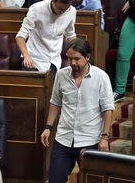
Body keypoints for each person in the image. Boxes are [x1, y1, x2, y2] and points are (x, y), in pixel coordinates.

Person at [40, 38, 114, 183]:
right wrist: (48, 127)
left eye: (77, 59)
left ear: (88, 57)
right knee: (55, 179)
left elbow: (108, 109)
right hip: (64, 138)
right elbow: (55, 103)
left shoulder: (101, 77)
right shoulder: (61, 75)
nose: (72, 63)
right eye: (69, 58)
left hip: (90, 140)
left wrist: (104, 137)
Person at [16, 0, 77, 76]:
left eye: (65, 10)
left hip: (54, 62)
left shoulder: (71, 11)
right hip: (33, 59)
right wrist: (26, 56)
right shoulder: (36, 9)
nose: (62, 13)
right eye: (59, 9)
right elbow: (20, 36)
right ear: (52, 0)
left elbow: (70, 35)